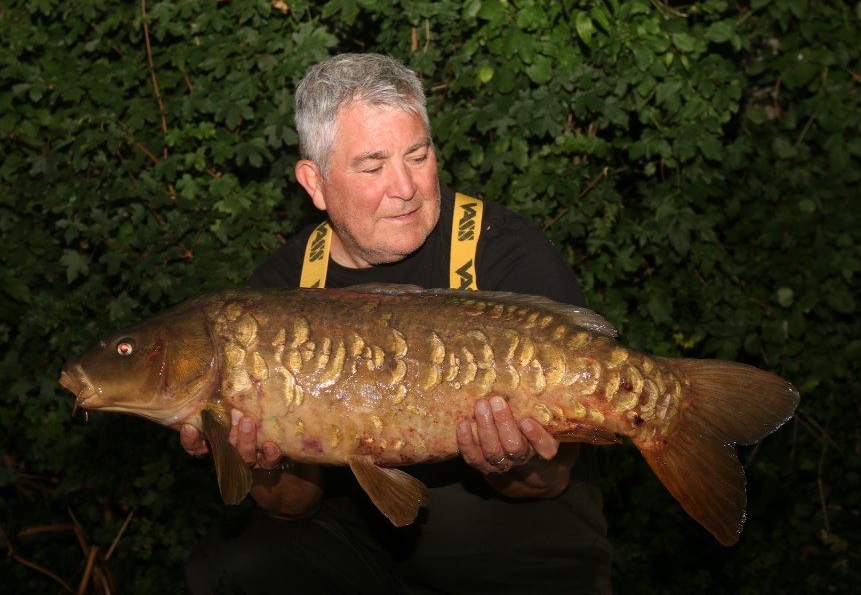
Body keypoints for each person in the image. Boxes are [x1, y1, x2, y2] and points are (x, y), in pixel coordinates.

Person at [182, 53, 613, 594]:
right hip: (362, 550)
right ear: (314, 183)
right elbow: (293, 507)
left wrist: (512, 461)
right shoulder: (277, 295)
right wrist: (264, 463)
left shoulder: (508, 253)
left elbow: (551, 479)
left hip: (522, 550)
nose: (405, 187)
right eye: (372, 166)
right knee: (235, 568)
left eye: (418, 155)